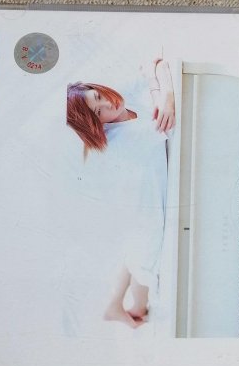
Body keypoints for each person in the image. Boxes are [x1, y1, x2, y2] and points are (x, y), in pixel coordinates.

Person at [66, 58, 175, 329]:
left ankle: (117, 306)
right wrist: (161, 90)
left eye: (98, 96)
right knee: (143, 259)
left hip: (135, 197)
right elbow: (168, 123)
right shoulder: (123, 138)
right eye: (99, 112)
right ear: (96, 124)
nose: (108, 104)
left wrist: (164, 91)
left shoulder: (119, 103)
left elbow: (155, 63)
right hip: (141, 206)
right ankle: (133, 308)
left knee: (136, 254)